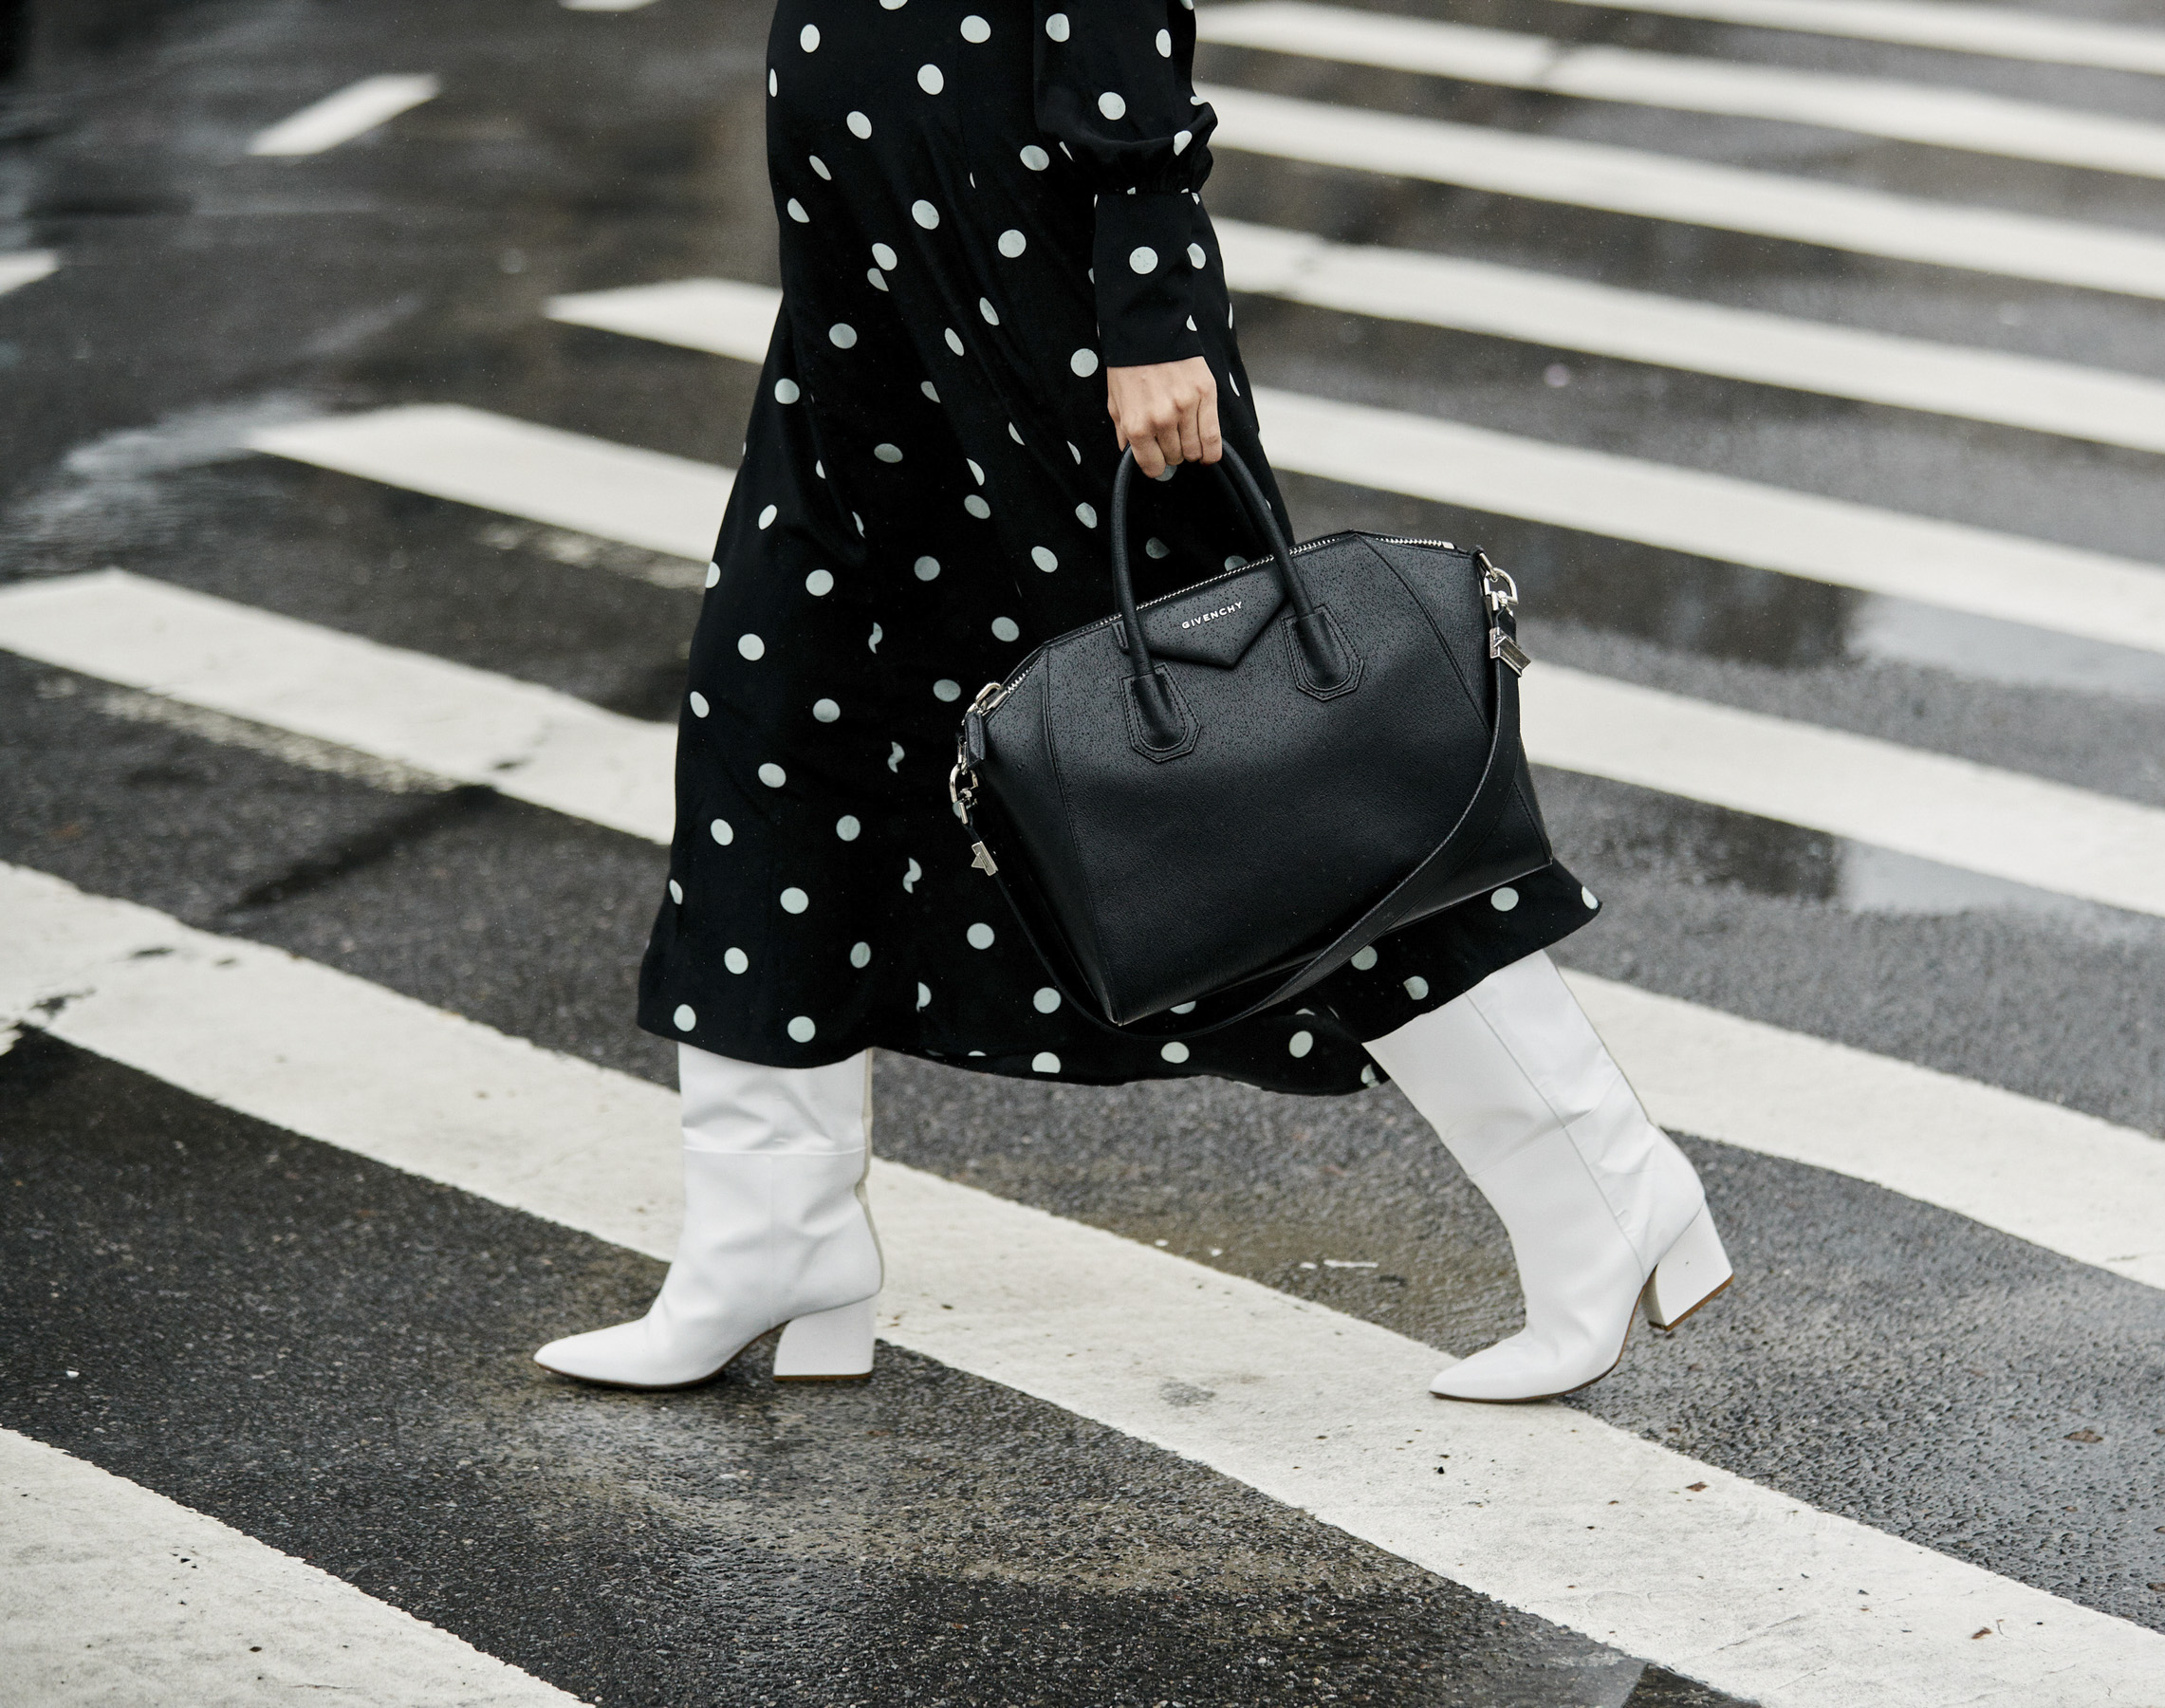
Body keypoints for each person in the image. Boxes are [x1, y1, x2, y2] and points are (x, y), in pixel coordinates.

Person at [533, 0, 1730, 1404]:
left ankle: (1599, 1181)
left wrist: (1152, 293)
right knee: (776, 721)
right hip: (863, 248)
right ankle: (769, 1238)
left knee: (1273, 761)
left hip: (1032, 244)